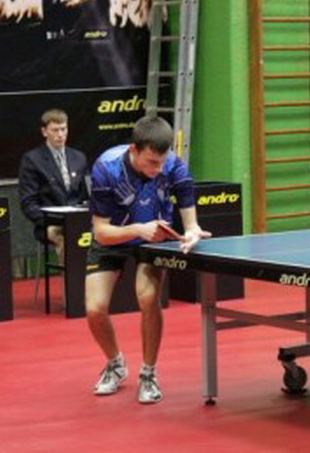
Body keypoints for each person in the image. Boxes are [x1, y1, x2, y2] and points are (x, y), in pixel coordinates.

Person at [85, 115, 211, 404]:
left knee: (148, 297)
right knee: (94, 309)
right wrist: (136, 229)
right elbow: (101, 232)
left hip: (153, 241)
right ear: (134, 150)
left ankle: (148, 373)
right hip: (117, 237)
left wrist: (192, 232)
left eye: (162, 162)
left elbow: (191, 222)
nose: (158, 169)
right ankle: (115, 364)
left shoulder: (175, 166)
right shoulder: (106, 168)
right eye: (151, 162)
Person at [18, 109, 90, 264]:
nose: (60, 134)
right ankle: (71, 279)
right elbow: (28, 203)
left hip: (78, 220)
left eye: (63, 129)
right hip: (49, 223)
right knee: (64, 237)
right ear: (44, 132)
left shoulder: (79, 157)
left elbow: (87, 195)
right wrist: (49, 220)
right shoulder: (32, 160)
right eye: (55, 130)